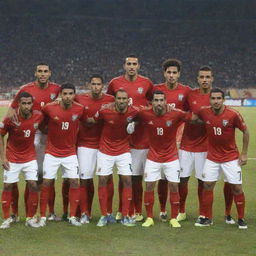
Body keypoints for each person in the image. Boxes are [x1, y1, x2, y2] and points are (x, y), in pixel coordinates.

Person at [7, 63, 61, 221]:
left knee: (48, 176)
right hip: (32, 134)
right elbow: (11, 110)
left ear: (50, 73)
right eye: (40, 71)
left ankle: (50, 212)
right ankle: (27, 212)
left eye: (45, 71)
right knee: (34, 176)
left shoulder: (57, 89)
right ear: (35, 73)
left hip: (51, 134)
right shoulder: (26, 89)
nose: (43, 74)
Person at [136, 91, 193, 228]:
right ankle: (149, 217)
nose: (159, 103)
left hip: (171, 157)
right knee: (149, 186)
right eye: (156, 100)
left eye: (161, 100)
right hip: (153, 157)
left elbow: (194, 118)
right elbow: (130, 114)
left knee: (173, 185)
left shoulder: (176, 113)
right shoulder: (145, 113)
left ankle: (173, 218)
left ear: (166, 101)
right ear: (152, 102)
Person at [194, 88, 249, 229]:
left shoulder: (233, 114)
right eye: (213, 98)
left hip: (230, 157)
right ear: (210, 100)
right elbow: (192, 118)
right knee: (207, 185)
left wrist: (243, 153)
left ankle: (241, 218)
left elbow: (245, 131)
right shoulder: (204, 112)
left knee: (236, 187)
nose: (216, 101)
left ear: (223, 99)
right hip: (212, 157)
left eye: (219, 98)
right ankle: (208, 218)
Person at [107, 55, 153, 221]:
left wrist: (139, 113)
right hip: (122, 137)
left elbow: (153, 104)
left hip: (142, 137)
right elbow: (109, 103)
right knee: (124, 176)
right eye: (129, 64)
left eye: (134, 64)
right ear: (124, 66)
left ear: (138, 66)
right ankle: (121, 209)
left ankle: (137, 210)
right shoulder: (115, 83)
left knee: (138, 177)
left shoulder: (146, 83)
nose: (131, 67)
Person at [90, 89, 139, 227]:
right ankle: (105, 215)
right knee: (103, 180)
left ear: (128, 100)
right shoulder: (105, 111)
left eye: (124, 98)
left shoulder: (134, 112)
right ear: (115, 99)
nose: (121, 101)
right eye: (119, 98)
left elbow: (144, 116)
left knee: (127, 180)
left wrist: (135, 124)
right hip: (105, 151)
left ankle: (125, 216)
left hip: (124, 151)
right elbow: (92, 120)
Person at [39, 83, 84, 227]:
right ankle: (42, 217)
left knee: (75, 182)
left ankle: (72, 216)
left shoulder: (80, 109)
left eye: (70, 93)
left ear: (74, 95)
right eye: (65, 93)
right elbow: (40, 122)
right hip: (51, 153)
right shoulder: (49, 108)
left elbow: (87, 123)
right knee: (46, 182)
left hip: (70, 153)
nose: (67, 96)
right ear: (60, 95)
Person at [153, 58, 191, 221]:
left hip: (180, 140)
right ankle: (162, 209)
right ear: (164, 74)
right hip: (160, 139)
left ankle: (181, 210)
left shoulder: (186, 91)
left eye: (174, 72)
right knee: (162, 178)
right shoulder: (156, 90)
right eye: (168, 72)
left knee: (180, 177)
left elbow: (190, 114)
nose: (171, 75)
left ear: (179, 74)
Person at [0, 92, 43, 229]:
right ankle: (7, 218)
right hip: (12, 158)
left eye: (29, 103)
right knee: (8, 186)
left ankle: (30, 218)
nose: (26, 106)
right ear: (18, 104)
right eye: (23, 103)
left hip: (30, 158)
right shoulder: (10, 118)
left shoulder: (38, 116)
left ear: (32, 104)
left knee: (33, 185)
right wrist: (3, 157)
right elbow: (0, 135)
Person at [75, 74, 114, 224]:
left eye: (99, 84)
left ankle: (108, 212)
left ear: (103, 86)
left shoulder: (110, 100)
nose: (96, 86)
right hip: (85, 145)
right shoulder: (79, 99)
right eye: (93, 84)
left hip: (105, 145)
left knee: (107, 178)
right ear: (89, 84)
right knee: (85, 179)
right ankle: (86, 212)